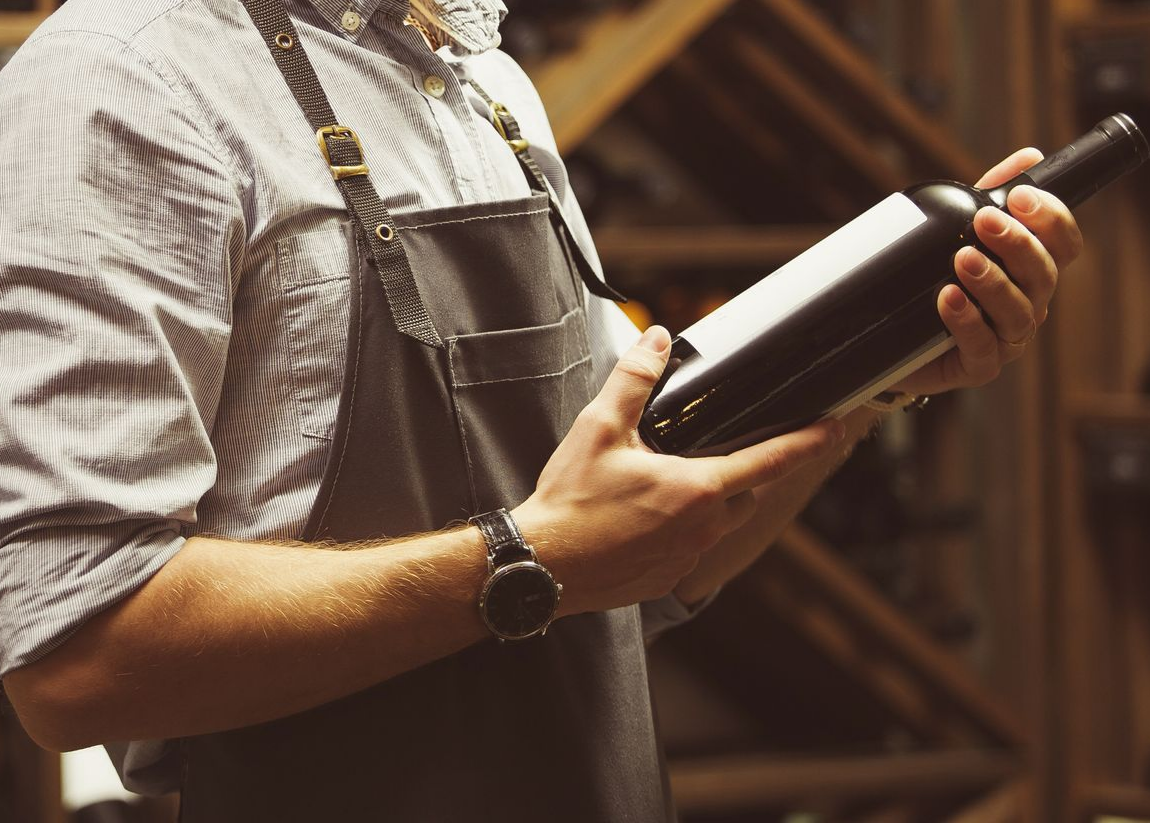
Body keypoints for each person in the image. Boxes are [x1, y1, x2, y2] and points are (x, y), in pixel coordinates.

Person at [0, 0, 1081, 819]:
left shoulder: (486, 84)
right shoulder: (124, 77)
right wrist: (530, 560)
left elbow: (653, 559)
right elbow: (76, 656)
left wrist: (868, 379)